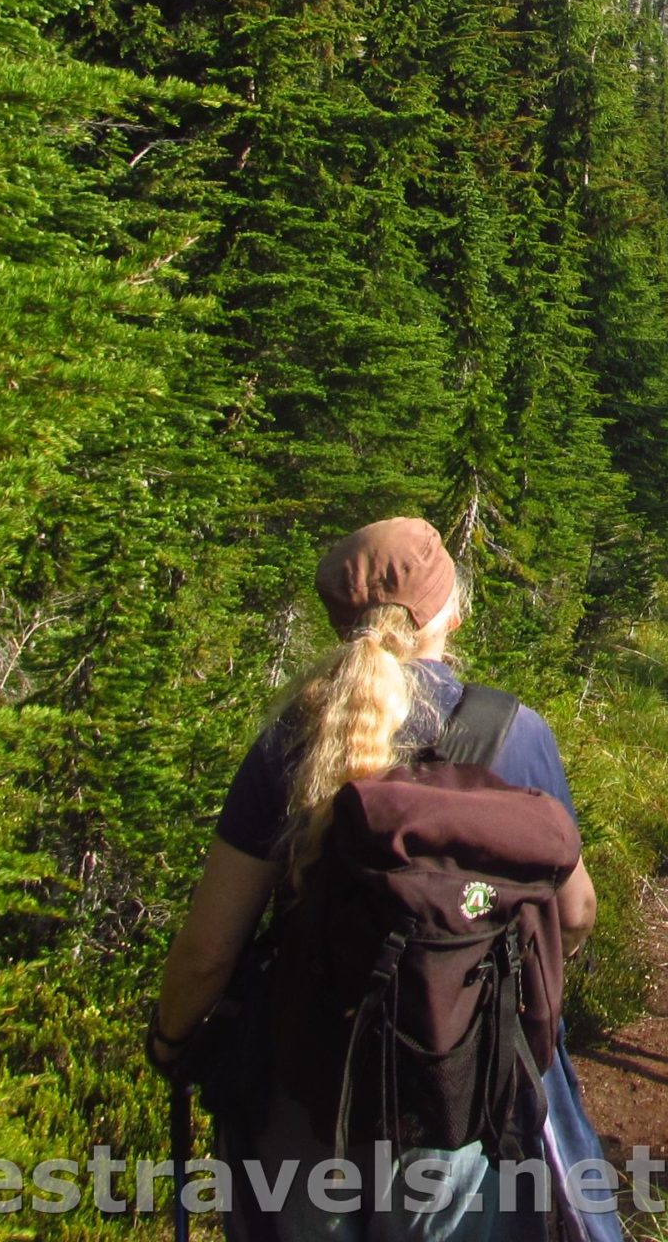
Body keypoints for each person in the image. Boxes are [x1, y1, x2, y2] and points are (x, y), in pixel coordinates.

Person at [148, 517, 620, 1241]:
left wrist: (170, 1041)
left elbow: (210, 949)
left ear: (339, 623)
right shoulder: (517, 735)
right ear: (449, 612)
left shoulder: (291, 741)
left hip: (310, 1086)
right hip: (463, 1088)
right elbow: (577, 911)